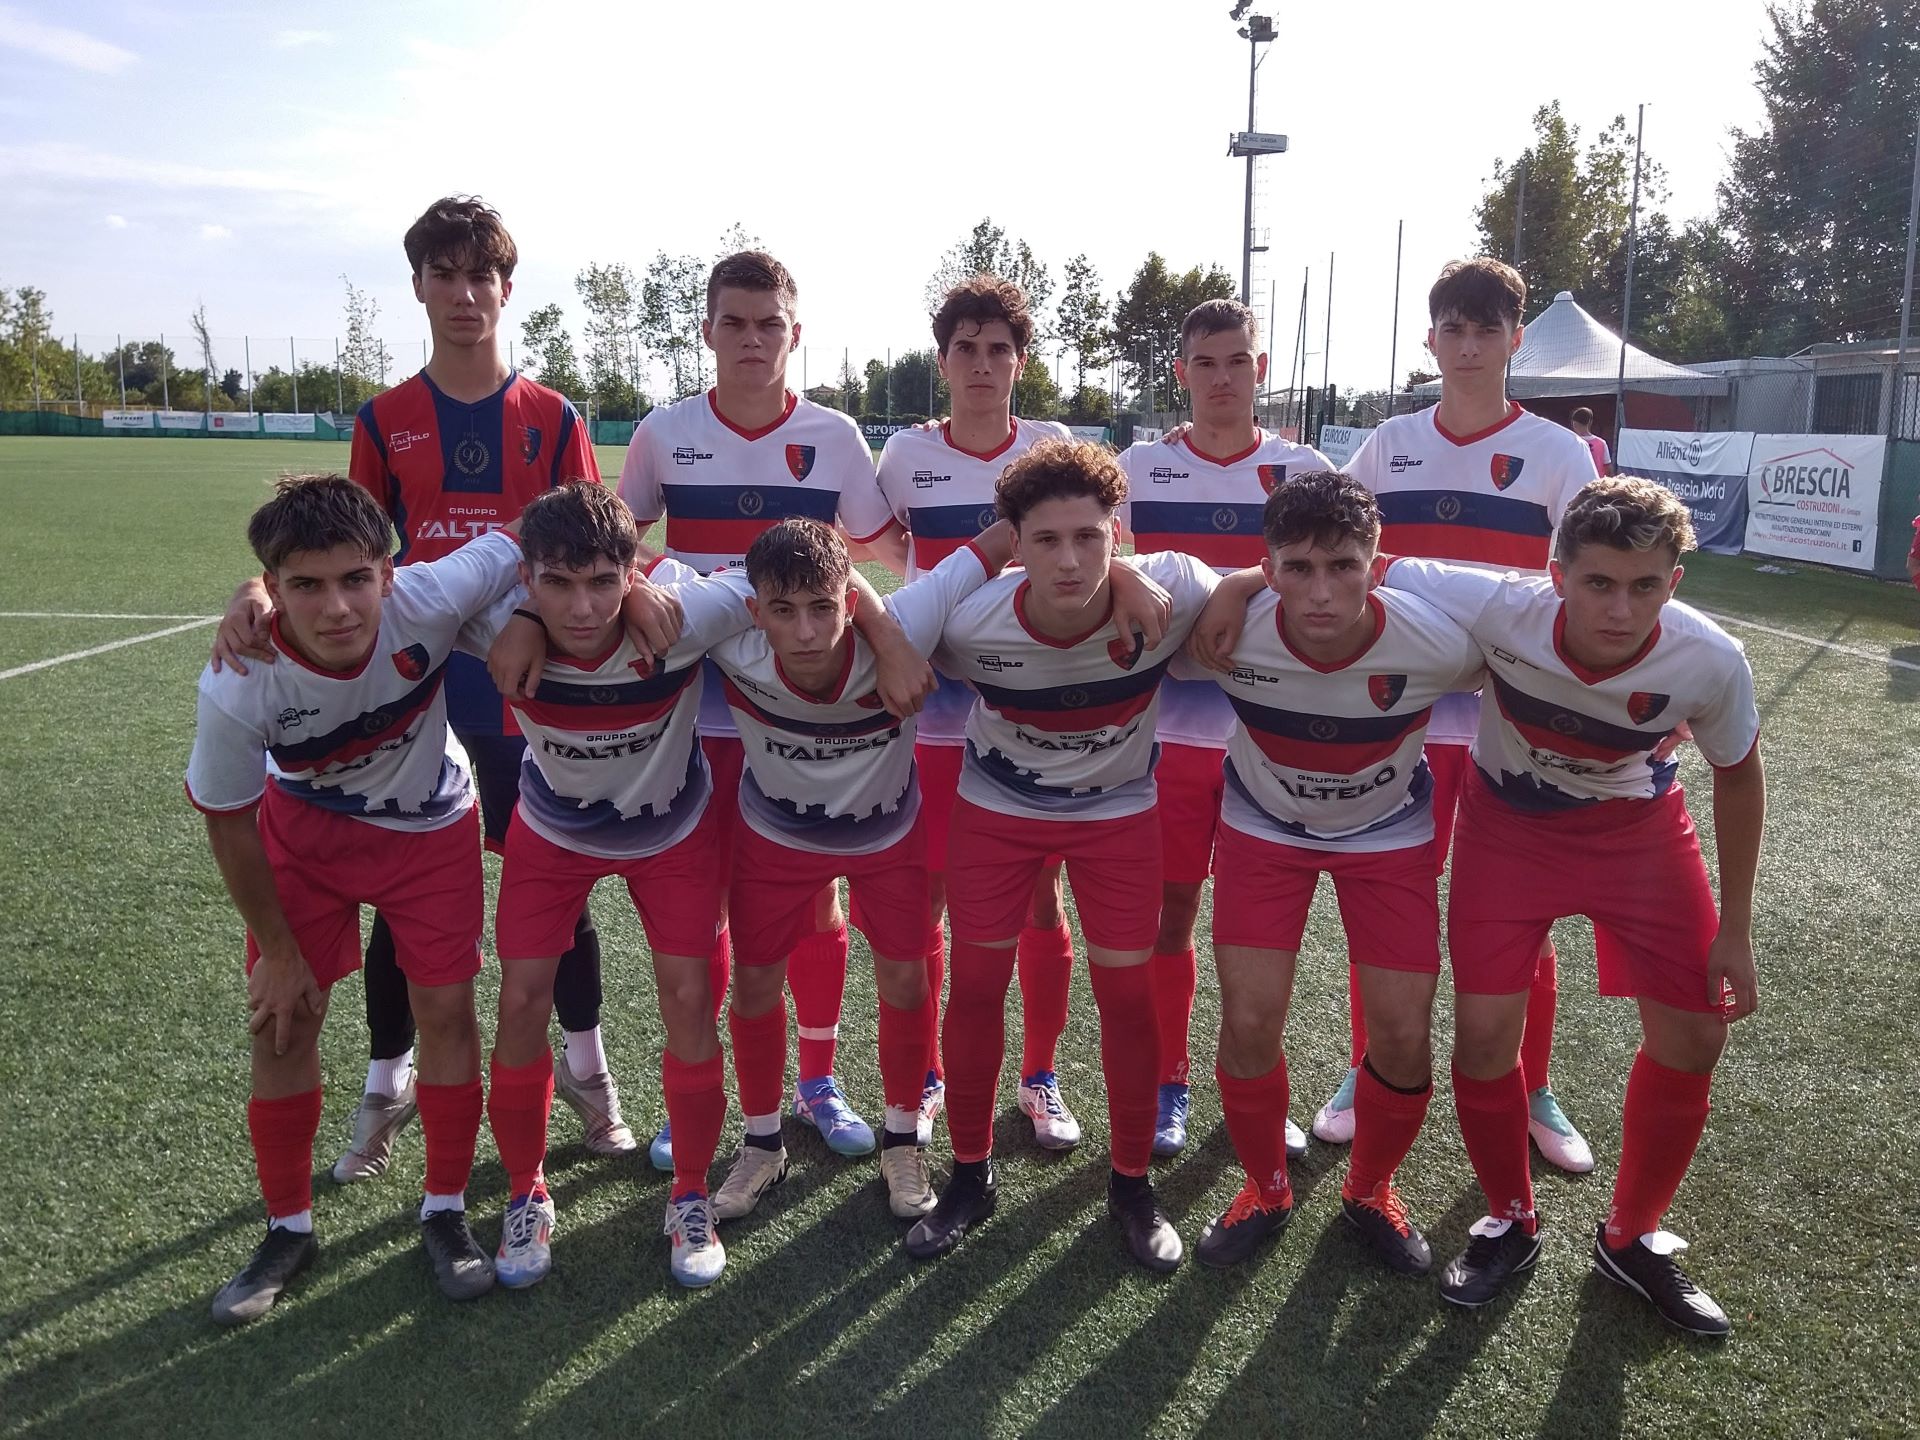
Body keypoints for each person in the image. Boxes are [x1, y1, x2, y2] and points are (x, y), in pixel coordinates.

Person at [212, 196, 630, 1178]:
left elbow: (595, 547)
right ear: (419, 288)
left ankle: (588, 1072)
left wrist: (531, 620)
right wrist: (252, 590)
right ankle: (387, 1081)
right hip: (409, 705)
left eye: (481, 275)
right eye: (445, 274)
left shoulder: (553, 418)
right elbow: (341, 553)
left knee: (557, 895)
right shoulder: (384, 420)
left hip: (534, 700)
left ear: (507, 290)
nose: (464, 293)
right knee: (397, 903)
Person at [1386, 476, 1763, 1335]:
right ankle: (1509, 1220)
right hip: (1507, 833)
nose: (1621, 609)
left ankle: (1632, 1238)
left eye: (1645, 586)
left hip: (1640, 837)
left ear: (1674, 581)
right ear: (1556, 574)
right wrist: (1239, 587)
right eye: (1598, 582)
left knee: (1696, 1036)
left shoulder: (1710, 658)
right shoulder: (1498, 603)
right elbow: (1368, 566)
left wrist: (1737, 926)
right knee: (1485, 1039)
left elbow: (1739, 776)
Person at [610, 250, 929, 1170]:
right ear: (708, 330)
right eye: (735, 323)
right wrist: (647, 580)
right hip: (698, 712)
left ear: (796, 334)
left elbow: (890, 551)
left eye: (770, 325)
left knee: (819, 903)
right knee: (714, 910)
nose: (752, 340)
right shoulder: (665, 432)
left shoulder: (833, 435)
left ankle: (817, 1083)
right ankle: (705, 1089)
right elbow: (612, 542)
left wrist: (914, 627)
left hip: (801, 713)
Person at [189, 476, 524, 1323]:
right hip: (304, 838)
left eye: (355, 579)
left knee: (446, 1012)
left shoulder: (431, 595)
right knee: (284, 1018)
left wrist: (631, 584)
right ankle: (288, 1228)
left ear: (389, 571)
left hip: (431, 827)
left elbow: (534, 530)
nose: (336, 608)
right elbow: (228, 823)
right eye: (305, 585)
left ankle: (445, 1209)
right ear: (273, 588)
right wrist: (278, 952)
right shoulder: (239, 678)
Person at [906, 439, 1218, 1273]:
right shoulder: (970, 621)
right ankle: (969, 1176)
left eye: (1090, 537)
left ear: (1119, 533)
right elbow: (890, 628)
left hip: (1118, 814)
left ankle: (1131, 1186)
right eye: (1046, 540)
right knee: (977, 987)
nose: (1071, 560)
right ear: (1015, 543)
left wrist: (1136, 575)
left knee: (1129, 996)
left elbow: (1252, 591)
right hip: (997, 811)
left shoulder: (1175, 587)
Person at [1326, 258, 1602, 1176]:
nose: (1470, 346)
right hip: (1395, 716)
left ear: (1517, 340)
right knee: (1389, 909)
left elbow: (1586, 584)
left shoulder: (1559, 454)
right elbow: (1330, 542)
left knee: (1520, 919)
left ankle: (1532, 1085)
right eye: (1455, 328)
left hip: (1510, 720)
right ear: (1432, 339)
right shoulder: (1388, 445)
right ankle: (1371, 1068)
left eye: (1488, 330)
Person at [1179, 472, 1483, 1274]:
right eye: (1298, 568)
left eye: (1343, 566)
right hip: (1262, 828)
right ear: (1269, 569)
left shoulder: (1438, 642)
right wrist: (1230, 590)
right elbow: (1111, 590)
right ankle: (1266, 1189)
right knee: (1249, 1021)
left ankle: (1371, 1190)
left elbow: (1539, 654)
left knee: (1403, 1035)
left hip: (1388, 837)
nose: (1320, 592)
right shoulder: (1225, 630)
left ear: (1376, 566)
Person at [706, 516, 1014, 1223]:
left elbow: (1000, 540)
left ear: (850, 600)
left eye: (824, 608)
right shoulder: (726, 630)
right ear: (754, 611)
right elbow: (631, 582)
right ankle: (762, 1144)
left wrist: (1123, 576)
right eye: (784, 611)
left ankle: (902, 1140)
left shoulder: (909, 619)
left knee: (906, 979)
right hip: (775, 837)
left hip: (887, 837)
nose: (807, 632)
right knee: (754, 987)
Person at [482, 482, 752, 1290]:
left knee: (689, 1001)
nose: (582, 608)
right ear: (526, 578)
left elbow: (791, 572)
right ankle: (526, 1192)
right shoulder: (494, 618)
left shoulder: (680, 612)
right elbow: (385, 599)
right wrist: (255, 596)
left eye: (603, 582)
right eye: (556, 585)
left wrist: (647, 584)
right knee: (520, 1003)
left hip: (672, 829)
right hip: (553, 829)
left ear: (631, 572)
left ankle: (691, 1192)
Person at [873, 275, 1083, 1152]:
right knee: (926, 894)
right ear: (943, 360)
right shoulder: (903, 456)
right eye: (967, 348)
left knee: (1038, 895)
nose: (983, 364)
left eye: (1000, 348)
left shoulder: (1052, 447)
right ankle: (927, 1077)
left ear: (1021, 362)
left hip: (1030, 711)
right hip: (931, 714)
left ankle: (1039, 1075)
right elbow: (881, 542)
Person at [1118, 297, 1331, 1159]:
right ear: (1181, 373)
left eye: (1237, 361)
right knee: (1171, 917)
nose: (1221, 379)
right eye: (1204, 363)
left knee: (1262, 934)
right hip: (1166, 736)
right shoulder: (1137, 467)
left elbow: (1334, 583)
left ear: (1261, 369)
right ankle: (1169, 1084)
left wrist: (1241, 585)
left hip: (1273, 735)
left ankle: (1258, 1084)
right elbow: (1100, 567)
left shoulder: (1304, 469)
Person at [1569, 407, 1612, 477]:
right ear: (1590, 422)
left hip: (1576, 481)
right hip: (1596, 482)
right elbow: (1607, 467)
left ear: (1574, 423)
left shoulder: (1571, 442)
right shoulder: (1601, 443)